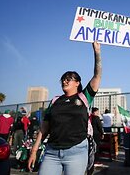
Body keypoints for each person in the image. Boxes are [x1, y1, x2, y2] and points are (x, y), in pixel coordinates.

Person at [27, 42, 102, 175]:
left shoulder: (84, 97)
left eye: (69, 79)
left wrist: (97, 52)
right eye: (63, 79)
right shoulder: (55, 100)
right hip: (51, 152)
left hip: (77, 152)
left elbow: (97, 75)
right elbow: (44, 128)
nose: (65, 81)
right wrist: (34, 151)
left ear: (77, 83)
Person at [88, 107, 104, 175]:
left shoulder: (90, 117)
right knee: (96, 147)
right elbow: (100, 127)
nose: (98, 113)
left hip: (90, 134)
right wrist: (102, 133)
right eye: (97, 111)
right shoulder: (96, 118)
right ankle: (96, 161)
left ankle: (91, 161)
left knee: (91, 148)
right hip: (96, 134)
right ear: (95, 112)